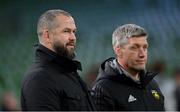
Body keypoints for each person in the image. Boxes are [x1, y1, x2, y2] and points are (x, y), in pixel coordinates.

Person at [21, 9, 96, 111]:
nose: (73, 37)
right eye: (66, 31)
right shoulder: (40, 78)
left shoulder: (68, 72)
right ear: (47, 36)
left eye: (74, 32)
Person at [92, 24, 165, 111]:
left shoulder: (152, 84)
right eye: (134, 48)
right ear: (118, 51)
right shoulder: (103, 89)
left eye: (145, 47)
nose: (142, 54)